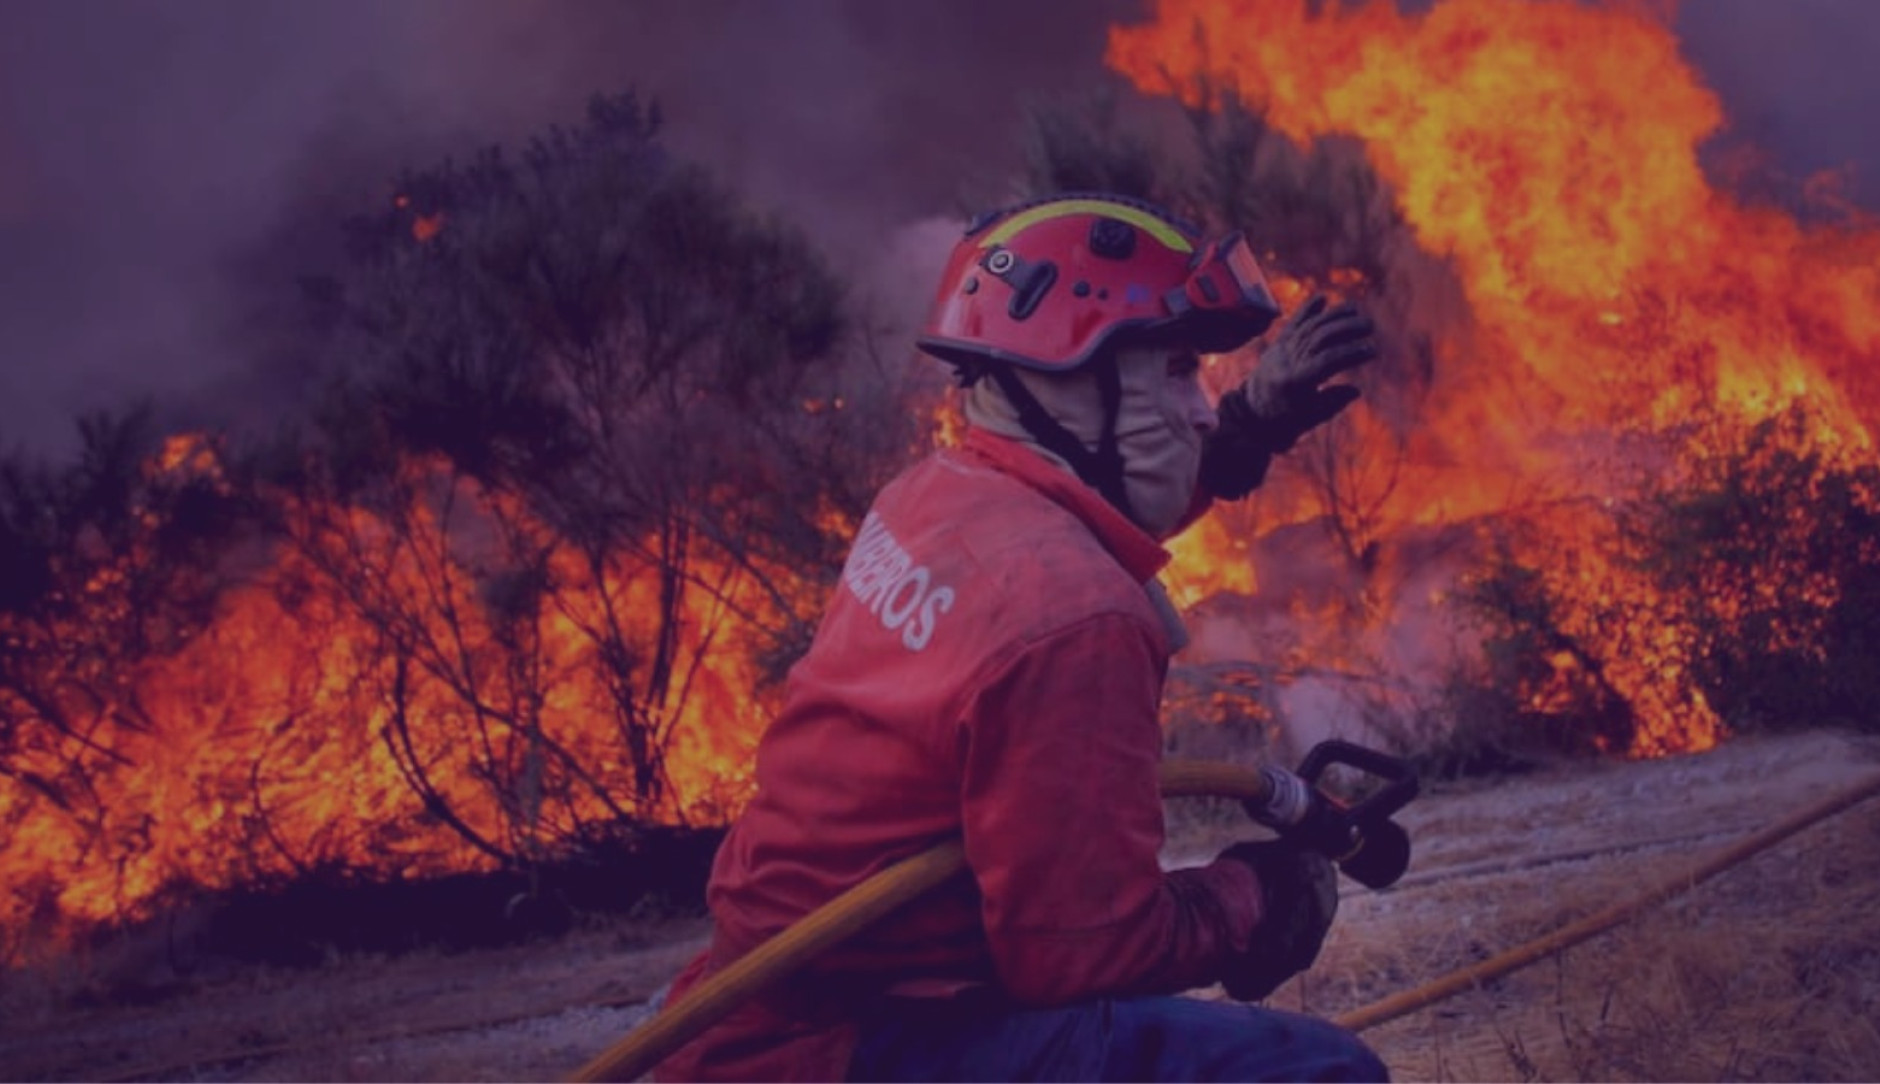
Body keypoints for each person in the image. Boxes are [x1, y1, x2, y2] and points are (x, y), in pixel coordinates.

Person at [654, 192, 1386, 1083]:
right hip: (865, 1048)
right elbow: (1081, 952)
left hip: (754, 1018)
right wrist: (1253, 901)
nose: (1199, 408)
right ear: (1062, 386)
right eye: (1175, 371)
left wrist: (1241, 436)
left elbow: (1079, 520)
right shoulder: (1076, 621)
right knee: (1327, 1075)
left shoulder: (938, 495)